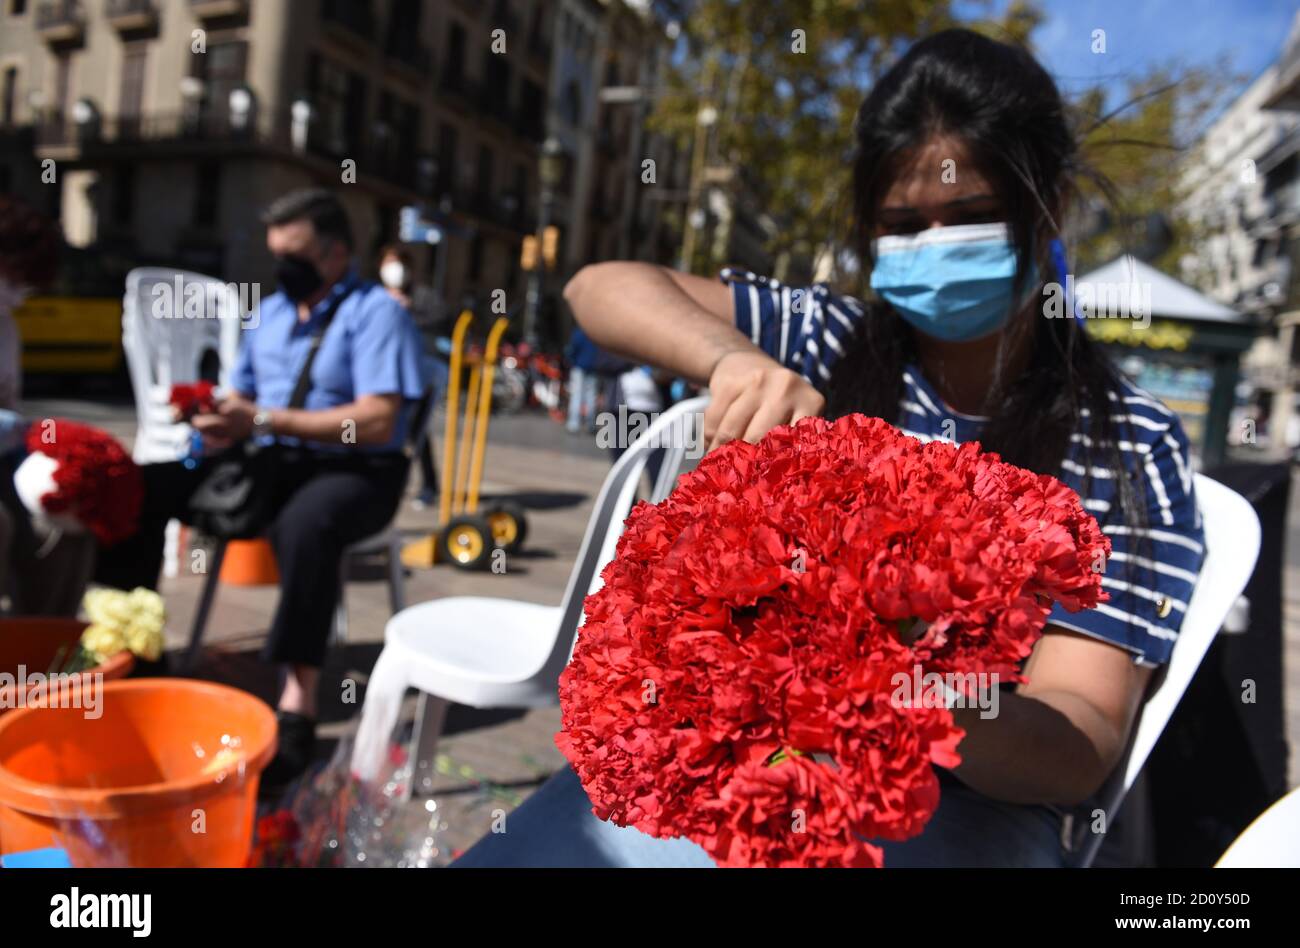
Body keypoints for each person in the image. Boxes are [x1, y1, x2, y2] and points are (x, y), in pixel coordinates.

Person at [455, 29, 1205, 867]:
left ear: (1051, 206)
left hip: (965, 806)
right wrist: (731, 356)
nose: (934, 246)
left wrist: (910, 678)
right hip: (748, 756)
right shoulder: (829, 337)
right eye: (902, 225)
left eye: (970, 219)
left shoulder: (1129, 444)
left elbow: (1083, 738)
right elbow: (598, 287)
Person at [96, 189, 428, 789]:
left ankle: (297, 701)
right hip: (273, 461)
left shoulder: (377, 313)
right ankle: (137, 652)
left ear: (336, 253)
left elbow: (377, 419)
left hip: (356, 470)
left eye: (296, 254)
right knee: (135, 487)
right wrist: (215, 418)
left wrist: (266, 421)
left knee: (306, 524)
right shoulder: (271, 314)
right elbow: (245, 401)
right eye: (277, 254)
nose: (284, 268)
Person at [0, 195, 97, 616]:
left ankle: (43, 651)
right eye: (15, 275)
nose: (19, 290)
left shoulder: (7, 329)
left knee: (68, 513)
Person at [378, 243, 444, 507]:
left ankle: (428, 485)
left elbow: (441, 320)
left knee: (416, 431)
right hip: (385, 376)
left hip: (418, 377)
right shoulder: (376, 296)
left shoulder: (423, 297)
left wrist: (410, 310)